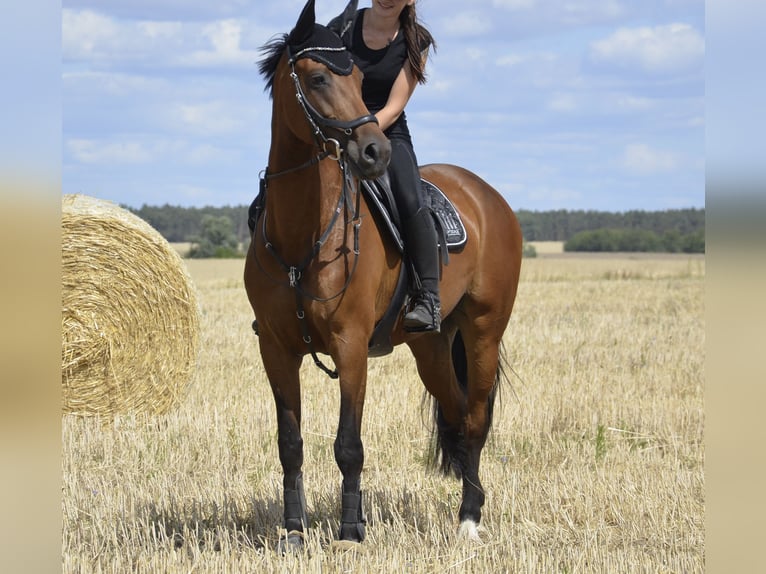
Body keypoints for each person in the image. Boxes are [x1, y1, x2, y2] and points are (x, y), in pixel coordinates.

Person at [329, 0, 441, 333]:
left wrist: (360, 132)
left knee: (410, 199)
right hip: (338, 128)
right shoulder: (343, 27)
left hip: (387, 134)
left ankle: (428, 299)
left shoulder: (416, 41)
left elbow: (394, 106)